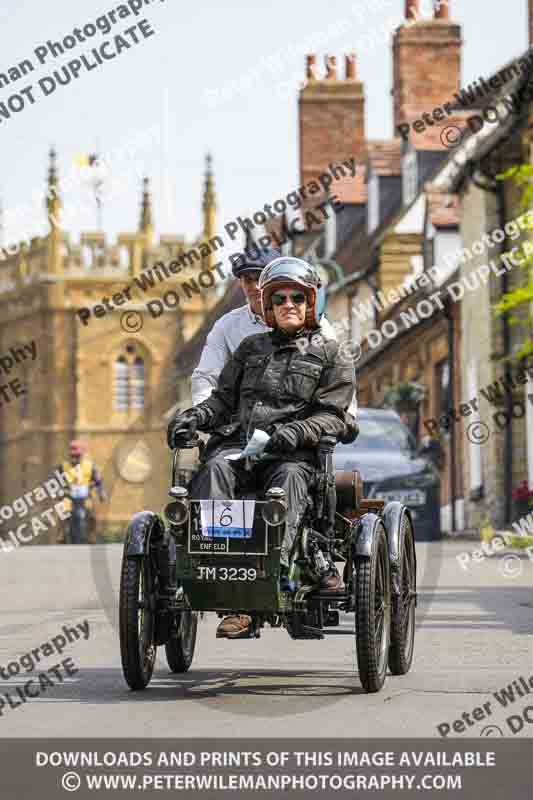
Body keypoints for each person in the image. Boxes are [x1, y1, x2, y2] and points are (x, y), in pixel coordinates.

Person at [167, 257, 356, 639]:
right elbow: (221, 400)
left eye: (297, 298)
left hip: (294, 458)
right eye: (280, 298)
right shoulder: (250, 348)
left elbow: (338, 417)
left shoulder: (332, 353)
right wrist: (195, 417)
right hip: (240, 449)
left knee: (284, 480)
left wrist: (299, 430)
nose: (289, 304)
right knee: (214, 468)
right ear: (268, 307)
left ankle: (271, 571)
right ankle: (217, 568)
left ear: (309, 303)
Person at [191, 244, 347, 406]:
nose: (255, 286)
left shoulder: (315, 324)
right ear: (240, 283)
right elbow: (206, 377)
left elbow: (335, 379)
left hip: (301, 424)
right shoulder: (226, 326)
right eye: (248, 280)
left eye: (260, 278)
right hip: (244, 423)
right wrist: (203, 411)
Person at [56, 440, 106, 544]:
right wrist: (57, 491)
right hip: (68, 496)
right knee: (62, 512)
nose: (75, 458)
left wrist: (101, 492)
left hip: (85, 496)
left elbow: (98, 481)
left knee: (93, 513)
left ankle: (92, 535)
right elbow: (55, 481)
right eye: (73, 456)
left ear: (81, 455)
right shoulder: (63, 467)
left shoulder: (90, 466)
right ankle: (61, 535)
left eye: (77, 456)